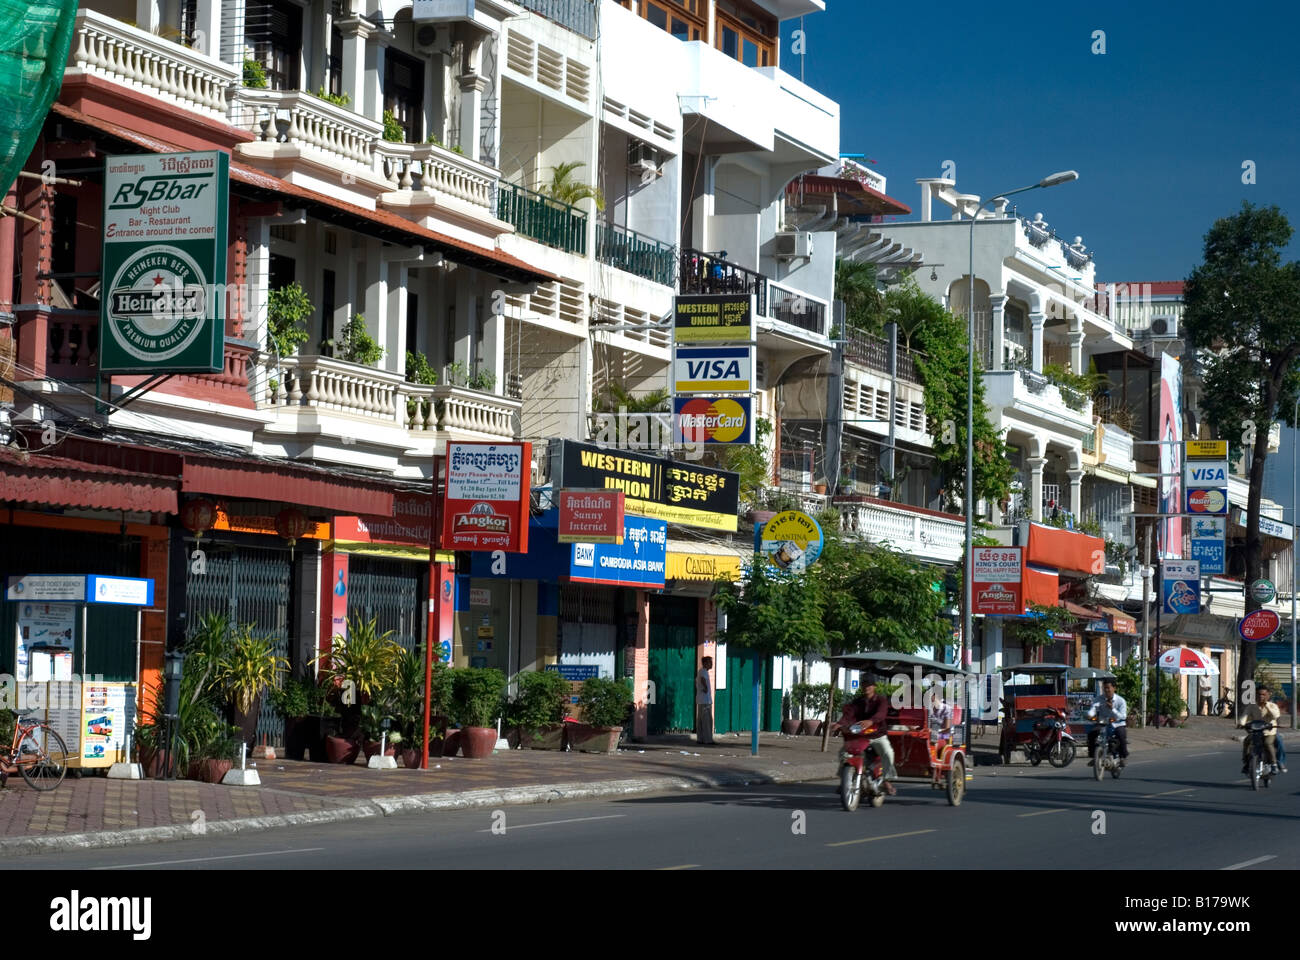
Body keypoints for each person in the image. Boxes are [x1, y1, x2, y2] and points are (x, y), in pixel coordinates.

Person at [840, 677, 897, 794]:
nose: (866, 687)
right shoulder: (857, 702)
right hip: (860, 736)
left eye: (869, 685)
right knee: (843, 753)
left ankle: (887, 780)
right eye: (864, 685)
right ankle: (844, 781)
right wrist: (839, 724)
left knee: (888, 752)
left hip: (878, 735)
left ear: (874, 687)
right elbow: (848, 715)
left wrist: (871, 721)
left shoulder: (881, 701)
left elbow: (881, 714)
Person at [1240, 685, 1281, 774]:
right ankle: (1246, 763)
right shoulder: (1252, 706)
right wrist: (1241, 724)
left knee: (1268, 743)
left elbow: (1275, 715)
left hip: (1269, 732)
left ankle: (1274, 764)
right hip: (1255, 731)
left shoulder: (1272, 705)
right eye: (1259, 694)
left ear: (1268, 695)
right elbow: (1244, 716)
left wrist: (1266, 705)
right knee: (1247, 741)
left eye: (1263, 694)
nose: (1261, 696)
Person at [1086, 679, 1129, 766]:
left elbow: (1123, 716)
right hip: (1103, 723)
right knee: (1092, 734)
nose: (1106, 690)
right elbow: (1093, 708)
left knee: (1121, 734)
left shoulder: (1121, 701)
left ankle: (1122, 757)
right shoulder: (1099, 699)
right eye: (1104, 688)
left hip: (1117, 724)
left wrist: (1112, 709)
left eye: (1108, 688)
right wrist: (1089, 715)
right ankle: (1094, 757)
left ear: (1114, 688)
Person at [695, 656, 715, 745]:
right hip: (705, 700)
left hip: (701, 700)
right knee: (707, 720)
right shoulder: (703, 672)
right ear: (706, 663)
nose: (712, 664)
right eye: (710, 662)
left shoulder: (702, 671)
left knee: (701, 720)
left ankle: (700, 738)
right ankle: (707, 740)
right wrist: (705, 687)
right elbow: (702, 680)